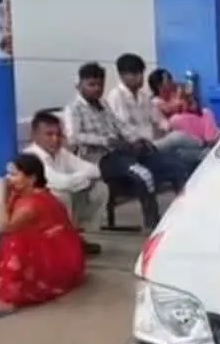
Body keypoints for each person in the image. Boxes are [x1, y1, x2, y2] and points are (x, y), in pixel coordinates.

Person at [64, 62, 186, 231]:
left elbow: (120, 126)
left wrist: (137, 139)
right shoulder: (74, 109)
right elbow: (73, 137)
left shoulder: (103, 105)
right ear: (79, 85)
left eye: (100, 85)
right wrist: (106, 141)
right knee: (143, 175)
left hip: (121, 153)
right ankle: (152, 225)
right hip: (99, 159)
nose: (97, 89)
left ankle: (186, 216)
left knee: (174, 166)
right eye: (91, 85)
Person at [0, 153, 86, 322]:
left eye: (14, 175)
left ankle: (6, 299)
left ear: (31, 179)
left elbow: (4, 227)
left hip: (59, 261)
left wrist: (0, 194)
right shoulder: (22, 196)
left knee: (16, 239)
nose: (8, 179)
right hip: (46, 252)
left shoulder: (33, 203)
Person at [24, 109, 106, 255]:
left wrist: (76, 180)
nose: (55, 139)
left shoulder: (61, 153)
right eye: (49, 134)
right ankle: (61, 241)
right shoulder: (31, 156)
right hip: (35, 208)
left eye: (58, 134)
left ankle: (76, 236)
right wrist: (84, 180)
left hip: (65, 197)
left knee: (100, 189)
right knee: (60, 194)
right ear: (35, 135)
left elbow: (95, 170)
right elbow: (60, 182)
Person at [106, 54, 199, 155]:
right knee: (177, 138)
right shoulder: (116, 96)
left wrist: (166, 128)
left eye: (141, 73)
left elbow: (159, 118)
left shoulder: (143, 97)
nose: (140, 77)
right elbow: (124, 129)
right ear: (122, 75)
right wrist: (153, 134)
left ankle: (204, 152)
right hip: (137, 146)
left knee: (183, 151)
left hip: (153, 141)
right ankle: (203, 148)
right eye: (135, 74)